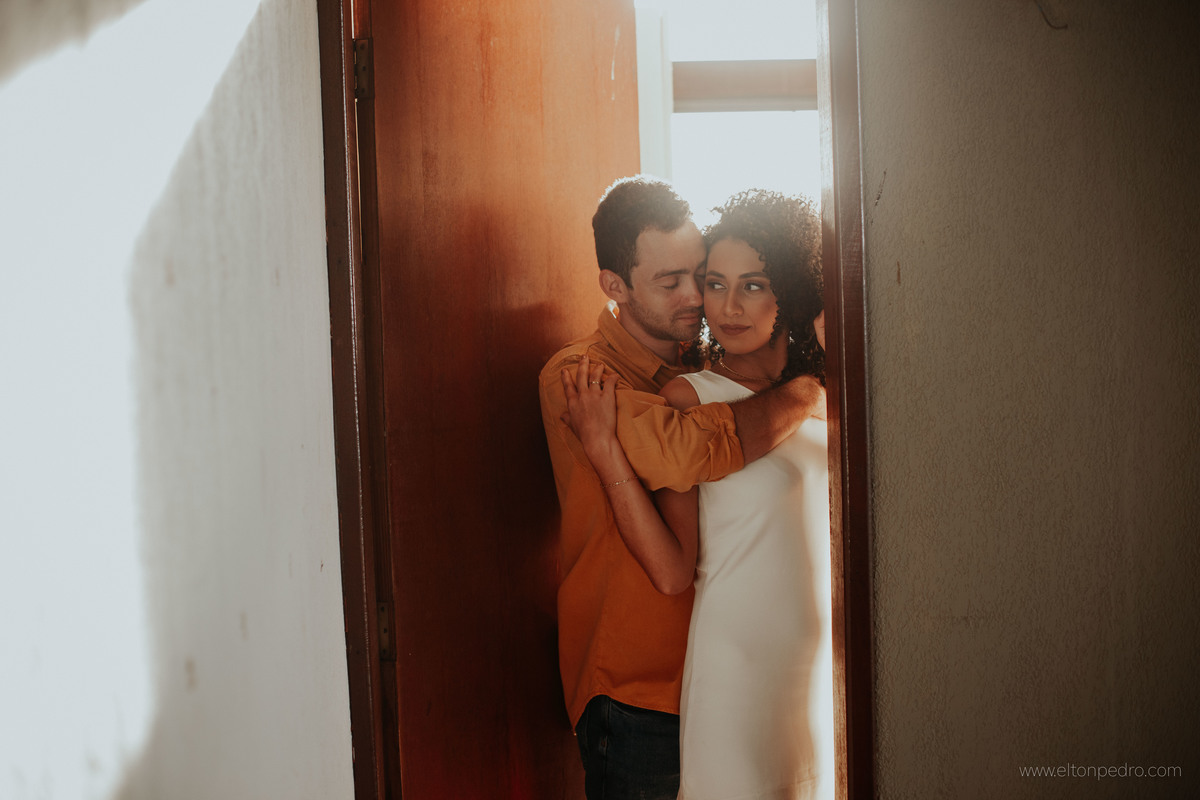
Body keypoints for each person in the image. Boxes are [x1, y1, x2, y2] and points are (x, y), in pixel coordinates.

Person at [538, 177, 825, 800]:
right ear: (615, 286)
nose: (698, 298)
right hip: (636, 691)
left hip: (744, 675)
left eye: (700, 275)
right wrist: (807, 388)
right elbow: (686, 452)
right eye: (672, 282)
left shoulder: (700, 367)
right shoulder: (581, 377)